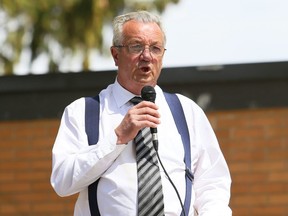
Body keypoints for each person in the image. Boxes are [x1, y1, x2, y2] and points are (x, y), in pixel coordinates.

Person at [51, 10, 232, 216]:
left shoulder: (186, 111)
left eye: (155, 48)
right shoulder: (83, 112)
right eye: (136, 46)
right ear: (116, 55)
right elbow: (62, 181)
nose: (147, 56)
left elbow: (213, 183)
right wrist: (117, 138)